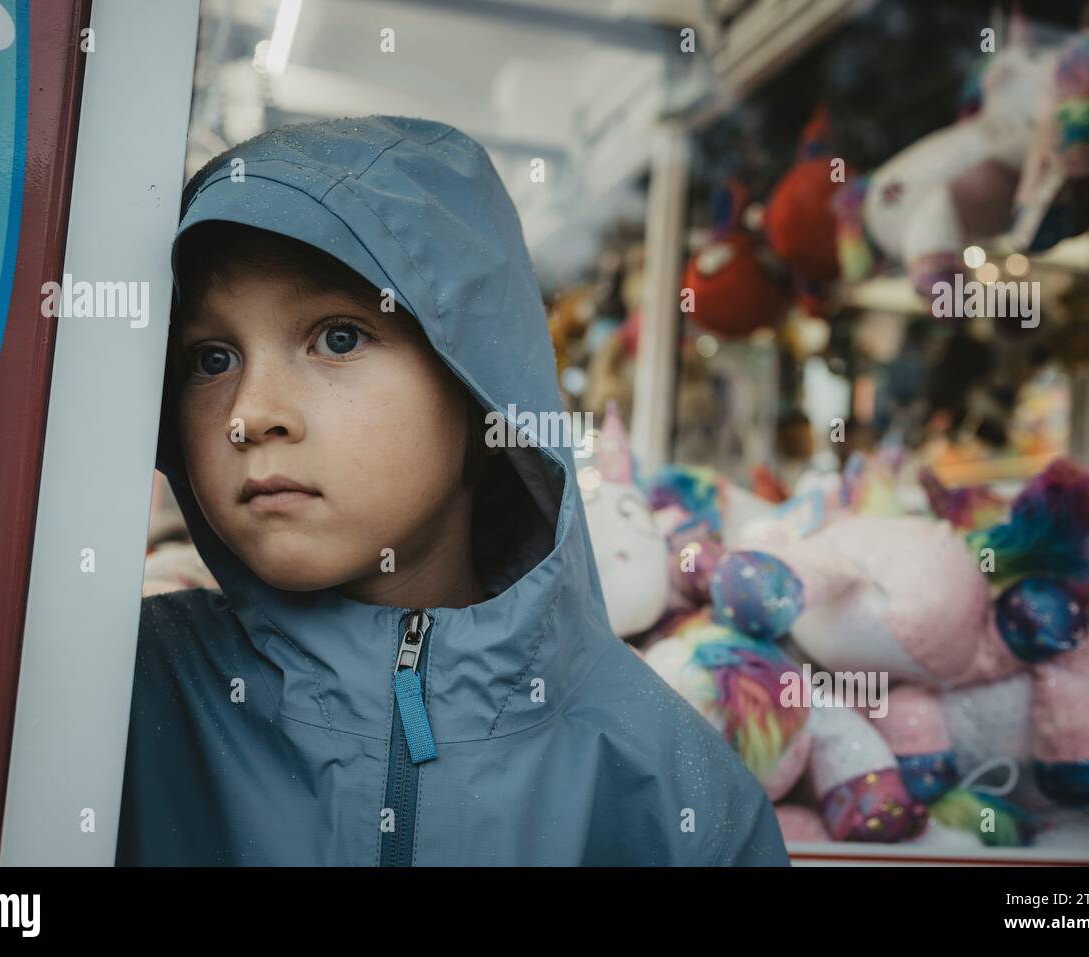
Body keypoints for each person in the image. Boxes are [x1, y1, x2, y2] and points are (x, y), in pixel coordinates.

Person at [115, 115, 788, 866]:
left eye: (338, 336)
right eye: (212, 357)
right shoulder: (120, 695)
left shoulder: (666, 785)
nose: (250, 415)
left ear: (479, 389)